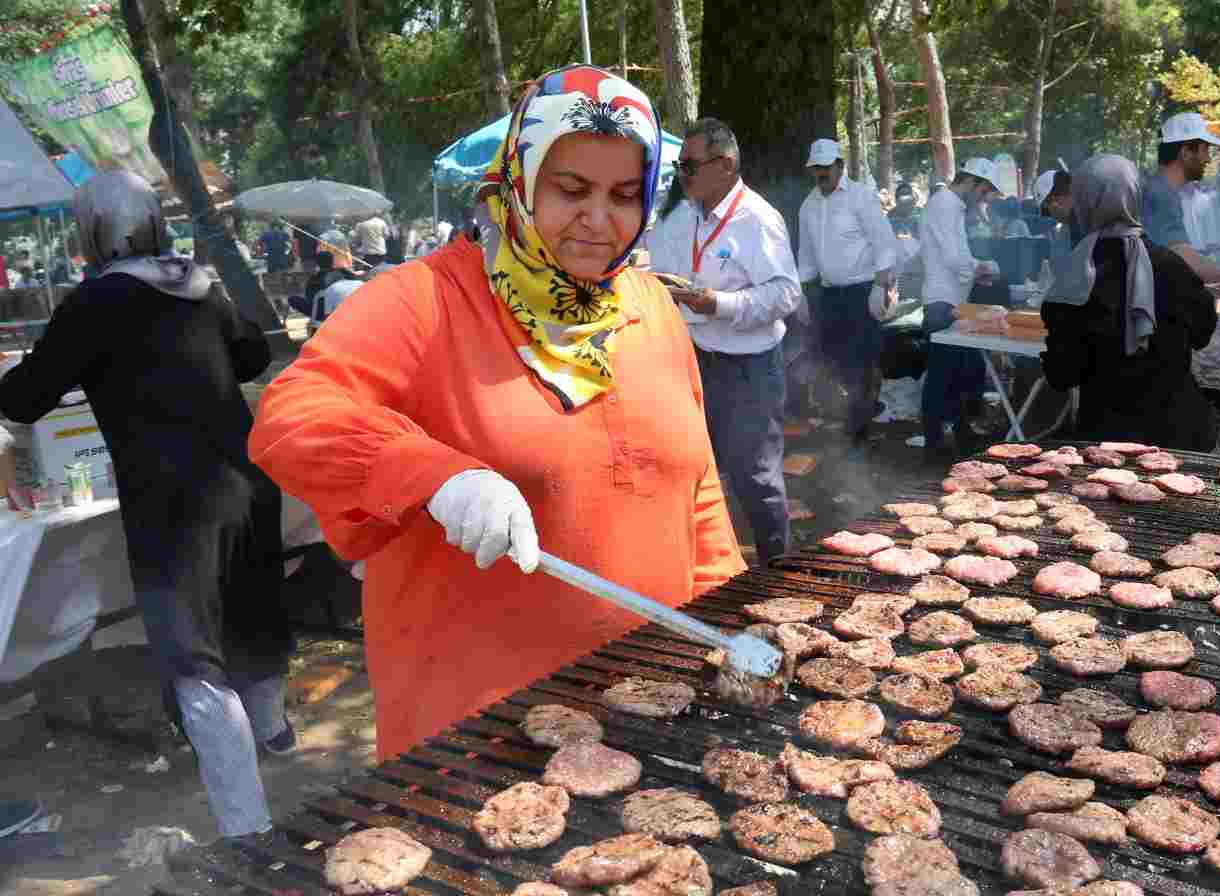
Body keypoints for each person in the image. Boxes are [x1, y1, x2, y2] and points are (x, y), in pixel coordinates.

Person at [249, 66, 747, 760]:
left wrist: (720, 631)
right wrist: (432, 474)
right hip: (475, 738)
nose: (597, 220)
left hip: (647, 708)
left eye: (624, 195)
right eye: (570, 189)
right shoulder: (422, 300)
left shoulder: (652, 305)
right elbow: (294, 413)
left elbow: (696, 496)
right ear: (518, 178)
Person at [0, 170, 293, 840]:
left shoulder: (94, 303)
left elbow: (24, 400)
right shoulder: (199, 285)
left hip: (173, 505)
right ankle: (277, 738)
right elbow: (250, 357)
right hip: (247, 482)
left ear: (91, 232)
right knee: (251, 616)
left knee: (194, 659)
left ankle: (246, 828)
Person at [647, 117, 800, 562]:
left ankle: (778, 573)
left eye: (689, 165)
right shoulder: (683, 216)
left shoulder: (758, 218)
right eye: (679, 166)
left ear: (725, 164)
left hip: (749, 366)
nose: (682, 174)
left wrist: (718, 303)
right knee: (696, 466)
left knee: (757, 476)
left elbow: (786, 293)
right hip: (694, 359)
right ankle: (710, 568)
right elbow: (655, 260)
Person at [1040, 155, 1219, 451]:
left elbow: (1062, 374)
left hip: (1107, 442)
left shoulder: (1075, 278)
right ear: (1135, 196)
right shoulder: (1172, 266)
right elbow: (1202, 334)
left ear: (1082, 203)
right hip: (1181, 436)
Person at [795, 138, 898, 443]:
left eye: (826, 167)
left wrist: (880, 286)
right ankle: (842, 423)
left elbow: (885, 243)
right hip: (829, 295)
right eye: (817, 168)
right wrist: (801, 292)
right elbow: (807, 255)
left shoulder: (861, 198)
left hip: (863, 290)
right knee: (830, 360)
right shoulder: (809, 205)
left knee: (861, 363)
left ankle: (858, 433)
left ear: (840, 166)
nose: (821, 173)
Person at [917, 158, 1002, 457]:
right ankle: (934, 444)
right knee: (942, 374)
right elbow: (955, 259)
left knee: (958, 372)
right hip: (942, 303)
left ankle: (957, 435)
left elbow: (955, 258)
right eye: (983, 191)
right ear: (972, 182)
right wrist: (983, 267)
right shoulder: (944, 205)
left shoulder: (952, 206)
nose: (983, 198)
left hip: (954, 300)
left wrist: (977, 272)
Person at [1143, 112, 1220, 285]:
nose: (1208, 159)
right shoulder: (1162, 195)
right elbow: (1184, 260)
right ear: (1186, 153)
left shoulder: (1160, 189)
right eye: (1205, 150)